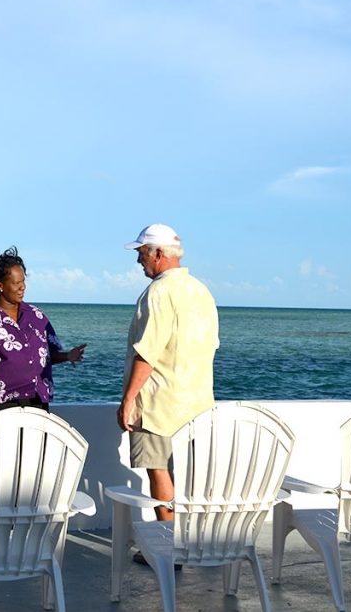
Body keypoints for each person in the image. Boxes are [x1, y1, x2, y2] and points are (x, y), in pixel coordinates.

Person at [117, 223, 219, 534]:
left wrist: (129, 398)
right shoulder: (201, 292)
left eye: (142, 253)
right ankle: (189, 538)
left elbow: (147, 353)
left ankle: (167, 545)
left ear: (159, 253)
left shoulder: (158, 292)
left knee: (158, 470)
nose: (139, 260)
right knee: (187, 475)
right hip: (197, 403)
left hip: (159, 403)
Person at [0, 247, 86, 419]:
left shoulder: (37, 316)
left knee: (35, 447)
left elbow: (48, 355)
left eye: (23, 282)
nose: (22, 287)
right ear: (0, 286)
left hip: (37, 399)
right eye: (16, 283)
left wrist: (67, 356)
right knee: (2, 447)